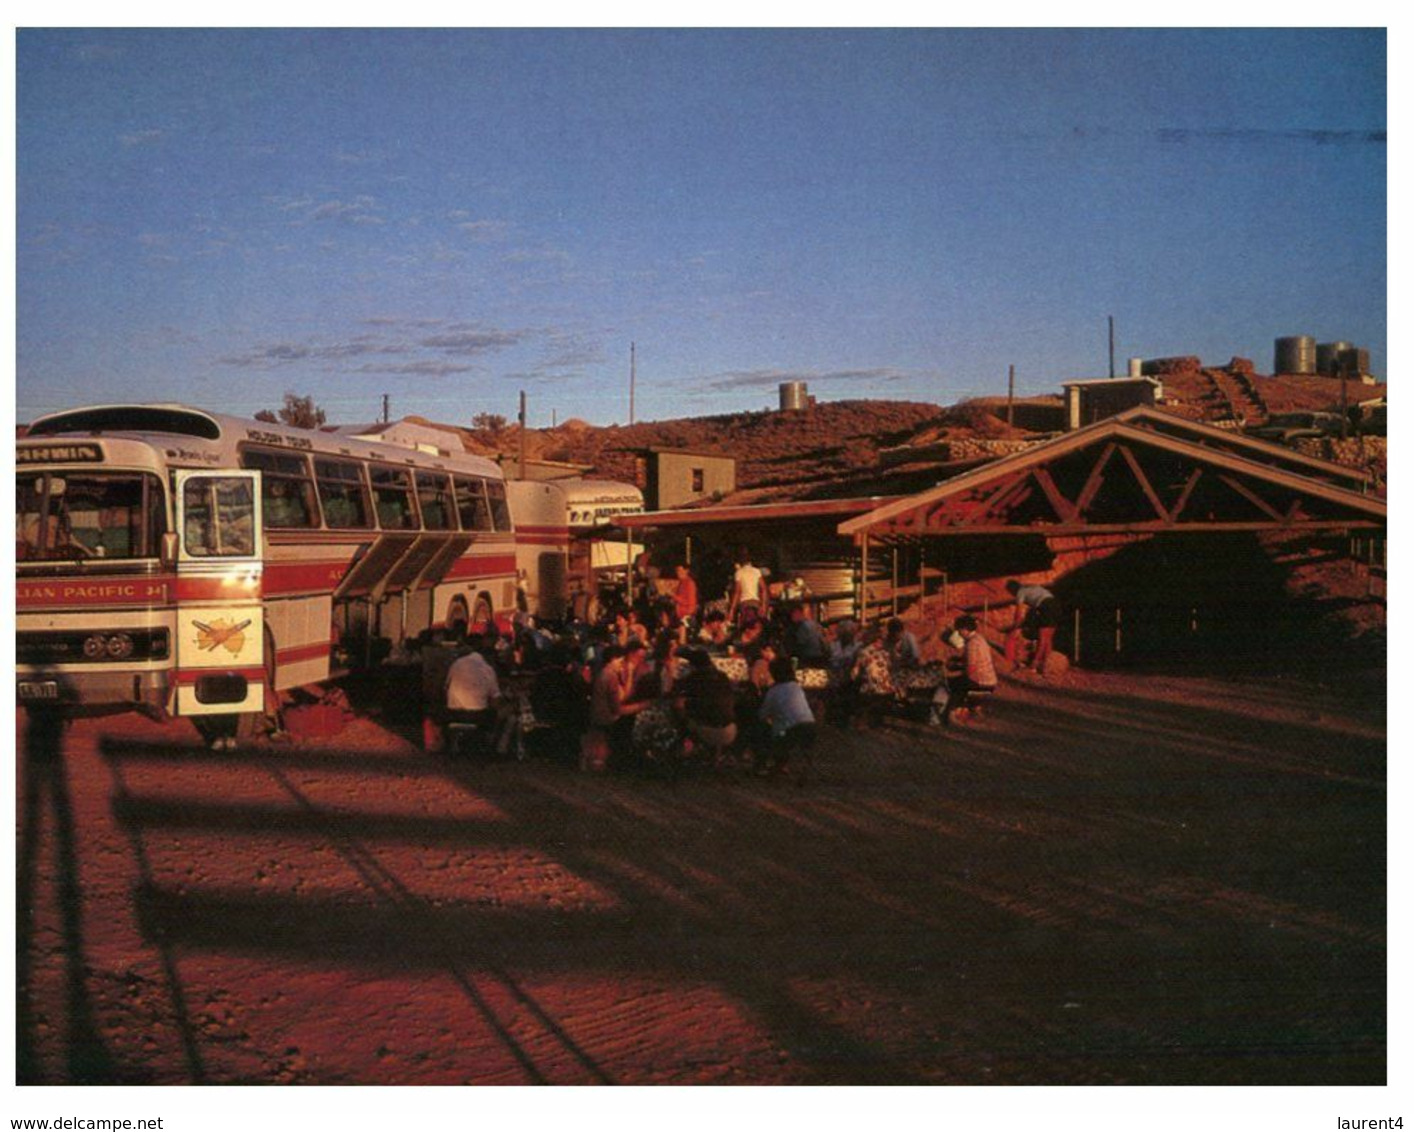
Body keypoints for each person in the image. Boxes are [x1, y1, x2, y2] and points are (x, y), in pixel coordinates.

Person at [444, 634, 514, 753]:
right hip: (478, 715)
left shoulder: (457, 663)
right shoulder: (488, 669)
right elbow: (496, 701)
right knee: (507, 712)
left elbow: (446, 687)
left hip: (453, 712)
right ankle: (496, 747)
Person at [752, 655, 816, 774]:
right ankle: (780, 764)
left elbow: (763, 715)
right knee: (780, 728)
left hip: (790, 731)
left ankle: (762, 764)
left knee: (764, 730)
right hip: (810, 727)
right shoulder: (796, 687)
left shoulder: (774, 691)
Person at [675, 648, 738, 758]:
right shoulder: (722, 676)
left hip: (707, 731)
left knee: (679, 712)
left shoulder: (693, 679)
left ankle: (686, 750)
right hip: (730, 730)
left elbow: (678, 703)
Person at [941, 614, 999, 725]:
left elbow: (971, 669)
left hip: (980, 682)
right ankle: (975, 710)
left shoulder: (971, 644)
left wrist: (955, 667)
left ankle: (951, 714)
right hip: (991, 681)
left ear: (964, 629)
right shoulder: (980, 638)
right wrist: (958, 659)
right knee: (961, 681)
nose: (958, 633)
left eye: (959, 630)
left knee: (951, 684)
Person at [1005, 579, 1060, 673]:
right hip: (1055, 604)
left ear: (1012, 590)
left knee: (1042, 638)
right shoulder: (1030, 587)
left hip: (1046, 606)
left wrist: (1015, 627)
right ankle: (1046, 665)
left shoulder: (1020, 592)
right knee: (1048, 638)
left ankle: (1033, 666)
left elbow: (1018, 613)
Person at [728, 549, 767, 626]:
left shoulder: (739, 573)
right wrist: (763, 606)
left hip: (745, 604)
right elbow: (764, 589)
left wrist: (732, 610)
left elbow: (737, 592)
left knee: (744, 626)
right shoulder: (757, 571)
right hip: (756, 603)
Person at [672, 564, 699, 632]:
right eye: (677, 571)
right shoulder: (681, 583)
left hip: (687, 617)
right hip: (680, 616)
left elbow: (689, 602)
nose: (678, 573)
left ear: (686, 571)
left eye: (680, 570)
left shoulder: (690, 583)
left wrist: (674, 596)